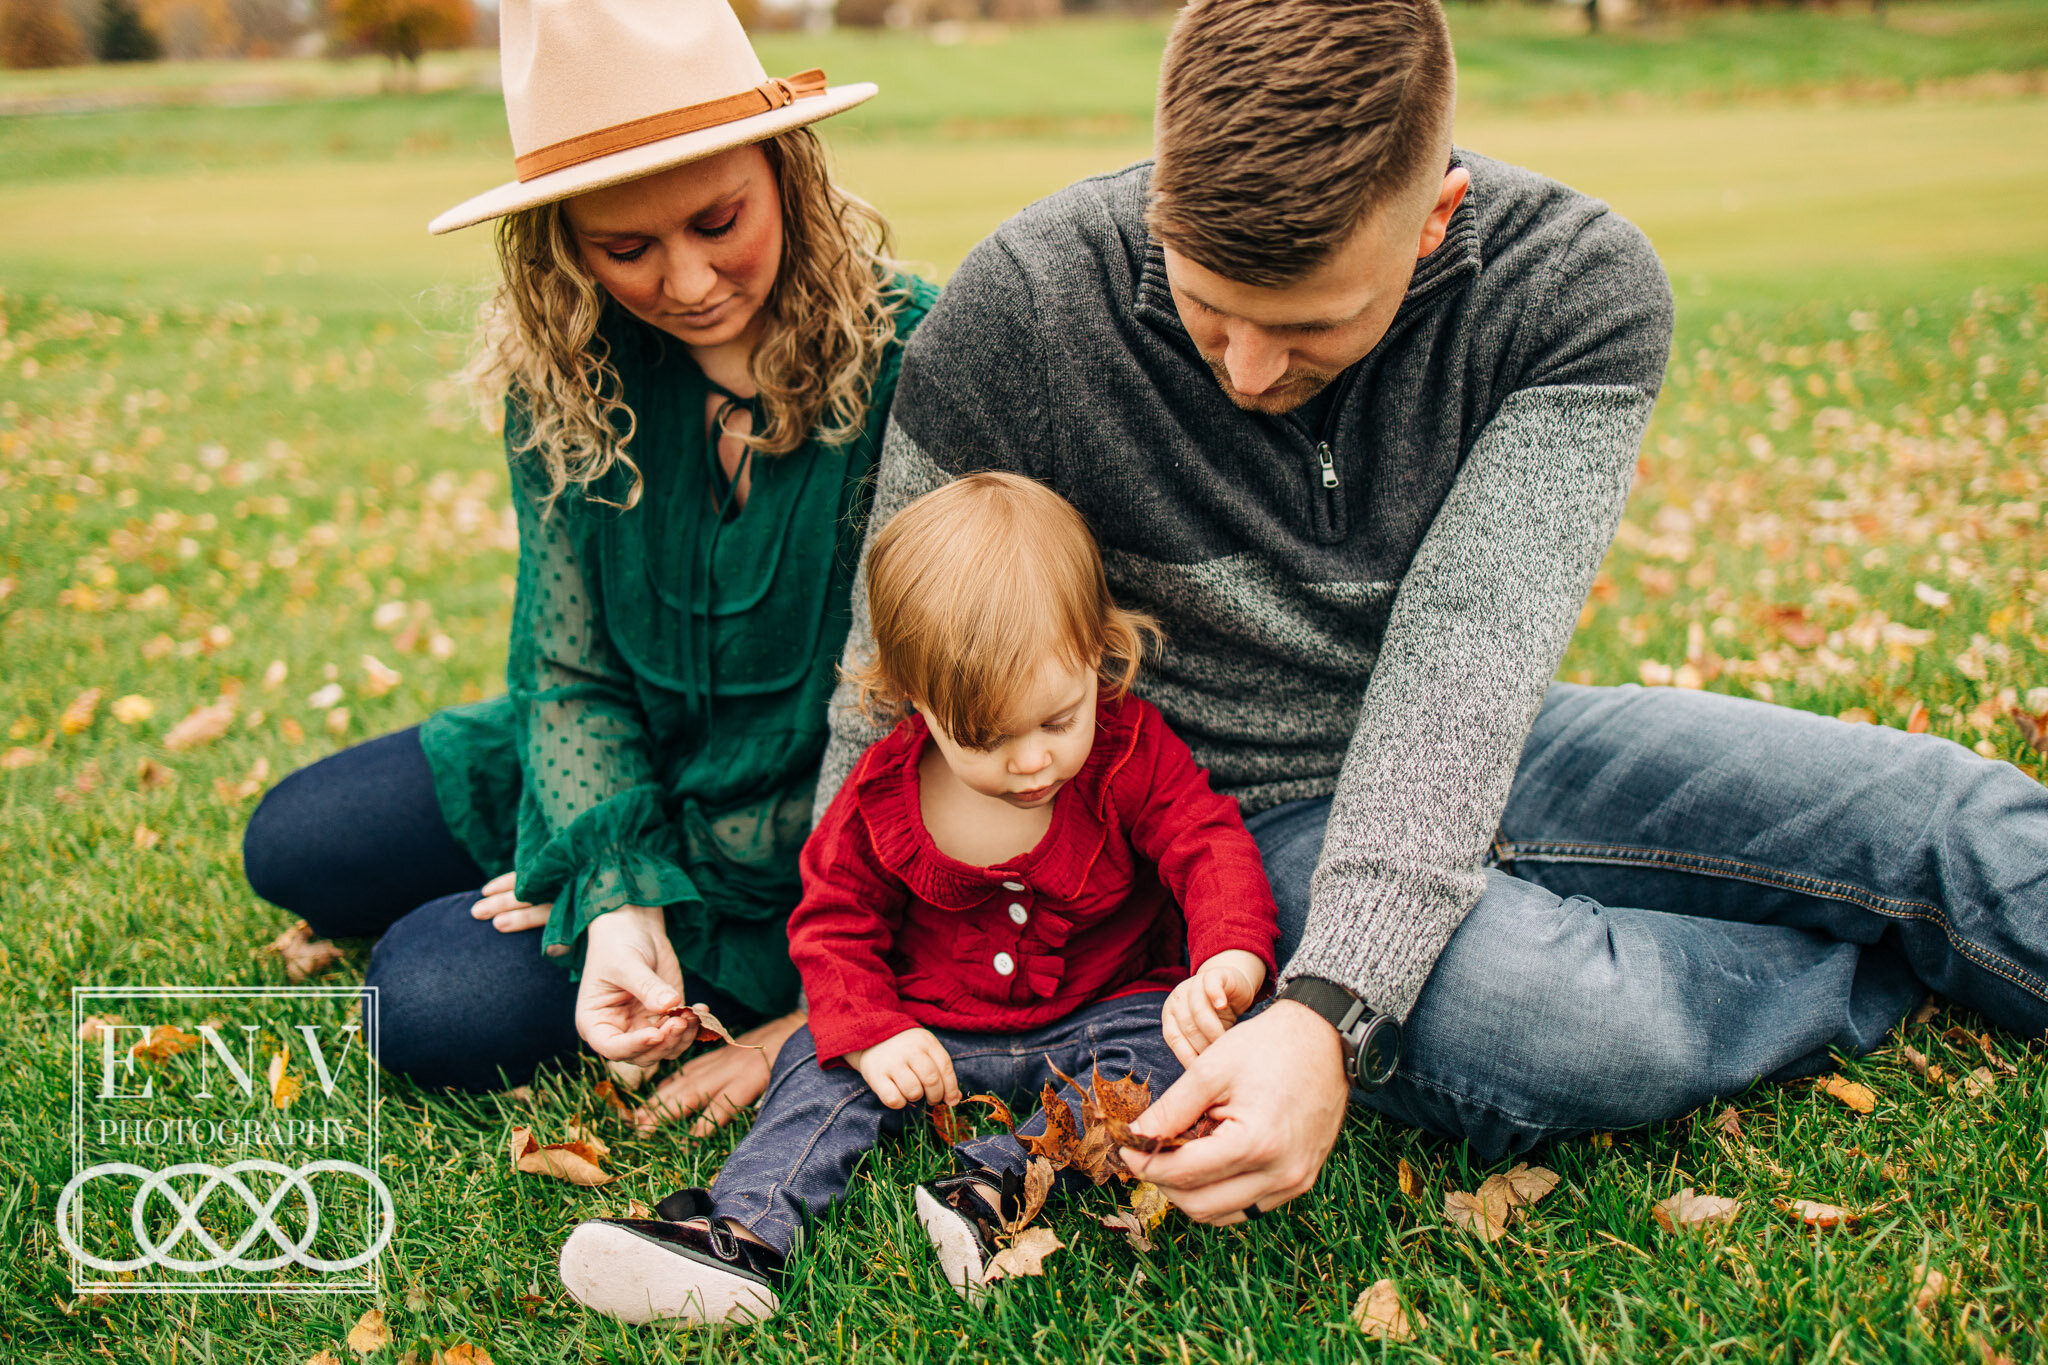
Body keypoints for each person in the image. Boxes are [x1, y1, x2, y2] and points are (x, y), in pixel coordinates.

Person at [814, 0, 2048, 1227]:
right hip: (1236, 818)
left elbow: (1466, 666)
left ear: (1432, 221)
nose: (1243, 370)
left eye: (1305, 325)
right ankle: (1874, 972)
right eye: (1206, 308)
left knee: (1940, 816)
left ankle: (1910, 914)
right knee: (1566, 1027)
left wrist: (1338, 1003)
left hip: (1490, 726)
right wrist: (817, 1002)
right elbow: (893, 670)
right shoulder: (1019, 309)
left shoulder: (1572, 288)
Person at [241, 0, 936, 1120]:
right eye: (627, 249)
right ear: (562, 241)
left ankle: (550, 877)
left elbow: (922, 717)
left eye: (720, 221)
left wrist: (786, 1003)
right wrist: (613, 889)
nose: (692, 280)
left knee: (422, 1002)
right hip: (618, 748)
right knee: (294, 842)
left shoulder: (918, 358)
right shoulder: (565, 380)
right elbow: (566, 672)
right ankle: (552, 850)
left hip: (792, 840)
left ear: (788, 173)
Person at [554, 472, 1280, 1326]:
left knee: (1168, 1060)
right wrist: (873, 1032)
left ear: (1097, 652)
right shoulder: (882, 796)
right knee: (815, 1069)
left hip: (1102, 1010)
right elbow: (832, 923)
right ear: (916, 702)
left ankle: (993, 1180)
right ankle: (742, 1231)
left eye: (1057, 720)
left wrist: (1228, 953)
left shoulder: (1130, 752)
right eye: (986, 738)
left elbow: (1207, 843)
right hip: (932, 1031)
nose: (1033, 762)